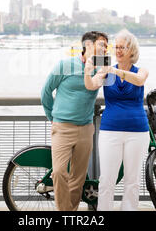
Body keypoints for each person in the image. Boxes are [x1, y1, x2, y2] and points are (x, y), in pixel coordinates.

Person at [41, 31, 108, 211]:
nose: (105, 48)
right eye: (101, 44)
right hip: (62, 127)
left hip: (86, 129)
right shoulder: (64, 65)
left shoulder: (102, 67)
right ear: (88, 45)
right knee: (59, 172)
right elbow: (46, 93)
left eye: (106, 46)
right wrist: (53, 117)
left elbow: (109, 85)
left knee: (77, 179)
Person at [84, 29, 149, 211]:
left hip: (137, 132)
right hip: (110, 130)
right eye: (117, 47)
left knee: (132, 180)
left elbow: (139, 81)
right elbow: (91, 85)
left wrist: (113, 70)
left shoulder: (140, 70)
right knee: (106, 180)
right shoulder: (106, 71)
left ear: (132, 50)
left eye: (123, 47)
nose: (118, 50)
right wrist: (88, 72)